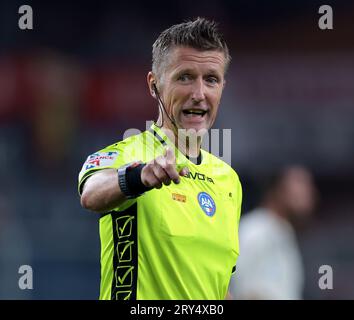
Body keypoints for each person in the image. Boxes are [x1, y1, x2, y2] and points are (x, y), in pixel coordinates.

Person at [78, 18, 242, 300]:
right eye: (185, 77)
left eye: (211, 79)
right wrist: (137, 177)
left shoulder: (228, 180)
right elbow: (91, 193)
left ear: (222, 87)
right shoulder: (129, 155)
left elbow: (217, 285)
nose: (199, 94)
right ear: (154, 85)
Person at [230, 165, 317, 300]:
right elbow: (240, 288)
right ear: (277, 189)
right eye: (300, 183)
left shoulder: (284, 231)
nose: (309, 192)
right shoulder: (255, 228)